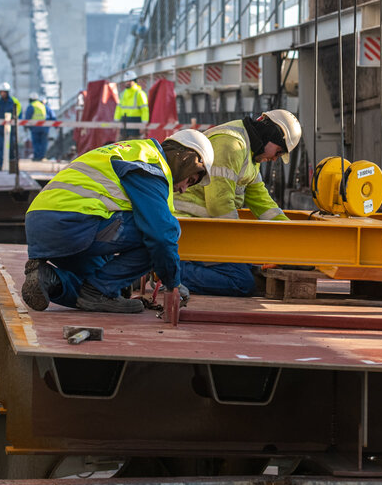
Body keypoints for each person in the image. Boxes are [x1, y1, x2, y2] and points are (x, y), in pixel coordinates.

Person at [22, 130, 215, 313]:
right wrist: (173, 283)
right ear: (186, 160)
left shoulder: (131, 151)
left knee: (102, 283)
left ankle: (49, 280)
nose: (183, 189)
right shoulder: (150, 165)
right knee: (165, 231)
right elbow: (161, 235)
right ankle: (98, 291)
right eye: (189, 180)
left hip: (45, 226)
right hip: (72, 224)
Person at [174, 110, 302, 296]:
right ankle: (168, 272)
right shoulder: (231, 144)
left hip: (205, 228)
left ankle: (173, 269)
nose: (275, 159)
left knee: (251, 273)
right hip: (187, 229)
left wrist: (292, 240)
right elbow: (220, 204)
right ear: (271, 135)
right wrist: (239, 248)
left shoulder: (249, 155)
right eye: (279, 152)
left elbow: (264, 203)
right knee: (243, 282)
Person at [0, 82, 21, 170]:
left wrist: (14, 120)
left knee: (11, 148)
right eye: (1, 92)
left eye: (4, 92)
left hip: (10, 130)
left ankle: (12, 166)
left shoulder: (14, 101)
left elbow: (18, 113)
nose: (3, 94)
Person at [114, 75, 149, 139]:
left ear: (134, 81)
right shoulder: (123, 94)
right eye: (126, 81)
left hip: (136, 121)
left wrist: (143, 125)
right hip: (124, 120)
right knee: (121, 144)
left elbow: (144, 110)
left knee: (134, 144)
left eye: (129, 81)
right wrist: (116, 121)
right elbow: (119, 108)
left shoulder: (140, 93)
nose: (127, 83)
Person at [24, 92, 55, 160]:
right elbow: (52, 116)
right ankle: (42, 156)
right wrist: (56, 126)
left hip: (35, 128)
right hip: (44, 128)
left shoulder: (31, 106)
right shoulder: (43, 106)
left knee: (36, 142)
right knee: (43, 143)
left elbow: (27, 117)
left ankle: (37, 156)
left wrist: (26, 126)